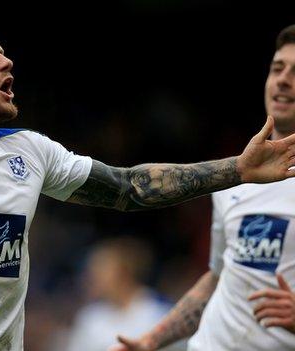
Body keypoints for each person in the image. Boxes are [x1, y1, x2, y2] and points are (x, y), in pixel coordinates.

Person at [0, 14, 295, 351]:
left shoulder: (28, 150)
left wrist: (238, 169)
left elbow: (126, 188)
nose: (6, 62)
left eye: (2, 52)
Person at [110, 24, 295, 351]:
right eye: (277, 68)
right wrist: (151, 340)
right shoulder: (236, 175)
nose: (283, 79)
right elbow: (220, 276)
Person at [65, 237, 183, 351]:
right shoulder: (90, 316)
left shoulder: (158, 312)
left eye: (102, 270)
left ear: (123, 272)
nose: (93, 277)